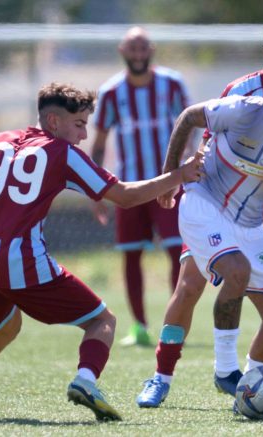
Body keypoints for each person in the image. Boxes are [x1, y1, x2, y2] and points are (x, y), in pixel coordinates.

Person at [0, 82, 203, 421]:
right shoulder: (61, 152)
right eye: (79, 124)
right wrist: (179, 175)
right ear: (54, 122)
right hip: (21, 261)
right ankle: (85, 380)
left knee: (3, 330)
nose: (84, 135)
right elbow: (125, 196)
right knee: (102, 320)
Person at [137, 9, 263, 409]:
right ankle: (161, 376)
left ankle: (262, 383)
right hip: (214, 199)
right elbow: (206, 135)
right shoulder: (242, 92)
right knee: (190, 287)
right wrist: (175, 176)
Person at [90, 26, 191, 346]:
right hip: (130, 188)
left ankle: (174, 324)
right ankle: (140, 326)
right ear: (123, 51)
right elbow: (99, 142)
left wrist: (191, 170)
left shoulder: (172, 84)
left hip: (168, 185)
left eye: (142, 48)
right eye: (132, 48)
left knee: (178, 252)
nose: (137, 54)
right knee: (131, 254)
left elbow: (190, 129)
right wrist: (95, 189)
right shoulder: (111, 92)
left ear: (151, 50)